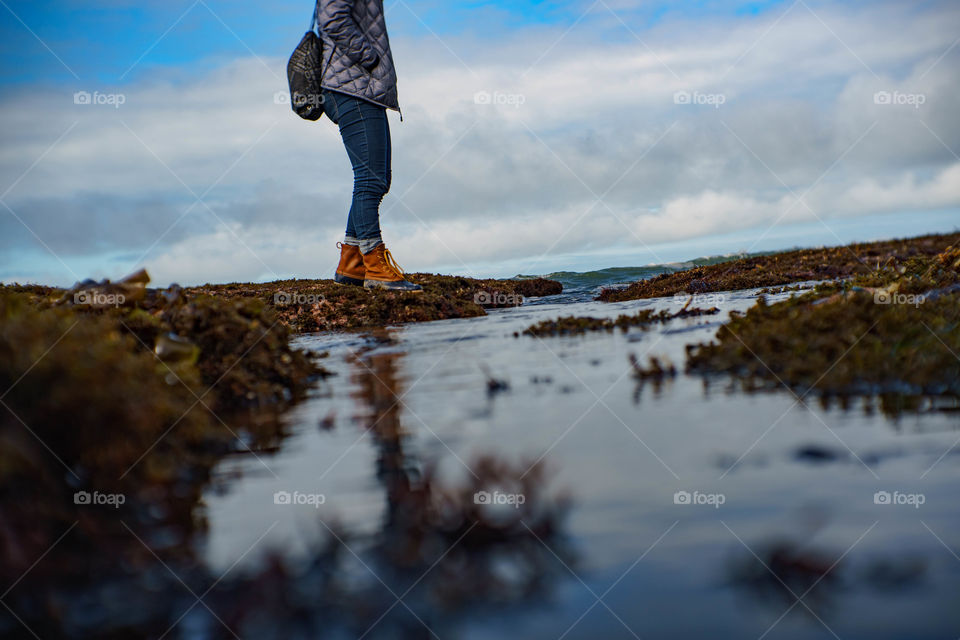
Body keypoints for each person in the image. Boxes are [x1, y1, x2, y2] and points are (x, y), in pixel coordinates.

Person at [317, 0, 422, 292]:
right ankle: (375, 265)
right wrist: (370, 58)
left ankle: (351, 263)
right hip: (352, 88)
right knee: (370, 180)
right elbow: (332, 17)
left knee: (377, 179)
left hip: (359, 88)